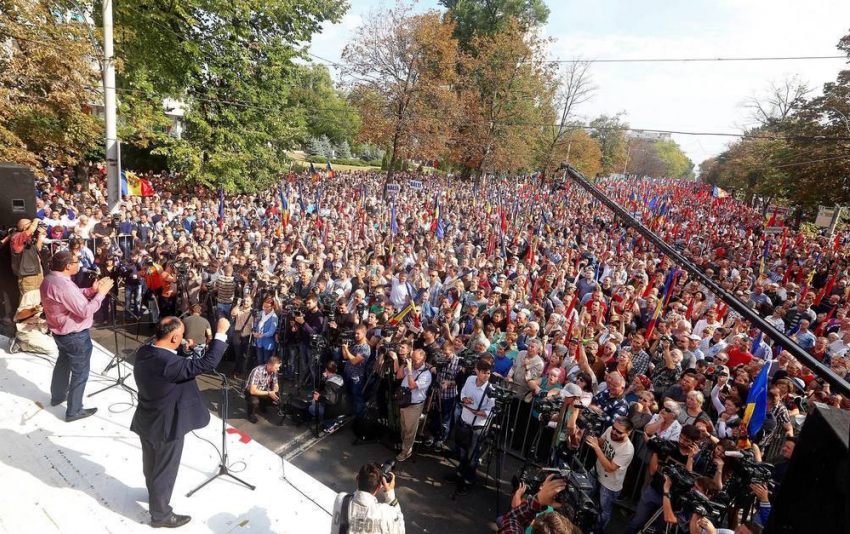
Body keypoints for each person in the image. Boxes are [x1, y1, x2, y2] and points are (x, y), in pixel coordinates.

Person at [130, 316, 230, 528]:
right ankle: (161, 515)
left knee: (150, 463)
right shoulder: (170, 365)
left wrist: (183, 350)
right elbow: (207, 363)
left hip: (146, 419)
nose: (184, 338)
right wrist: (220, 333)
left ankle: (154, 496)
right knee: (165, 470)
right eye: (182, 335)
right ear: (174, 337)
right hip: (167, 425)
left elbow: (167, 360)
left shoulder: (145, 352)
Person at [41, 250, 113, 421]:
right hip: (75, 337)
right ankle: (74, 411)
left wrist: (91, 290)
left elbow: (70, 298)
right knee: (80, 373)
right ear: (67, 266)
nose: (79, 264)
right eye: (76, 261)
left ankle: (58, 397)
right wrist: (101, 293)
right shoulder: (64, 284)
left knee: (63, 365)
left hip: (61, 334)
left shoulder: (50, 279)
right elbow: (85, 311)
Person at [446, 359, 496, 495]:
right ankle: (459, 473)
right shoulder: (470, 379)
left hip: (477, 428)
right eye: (484, 373)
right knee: (462, 452)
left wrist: (478, 413)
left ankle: (469, 480)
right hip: (464, 422)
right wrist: (464, 399)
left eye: (489, 373)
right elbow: (462, 392)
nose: (486, 376)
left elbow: (490, 411)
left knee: (472, 456)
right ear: (477, 371)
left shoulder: (490, 390)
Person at [586, 416, 635, 531]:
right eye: (614, 428)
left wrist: (597, 448)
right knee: (584, 496)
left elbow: (610, 468)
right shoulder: (609, 430)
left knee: (604, 511)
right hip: (596, 471)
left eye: (619, 432)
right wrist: (591, 438)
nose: (614, 432)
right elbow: (601, 443)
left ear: (628, 433)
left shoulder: (627, 450)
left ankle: (598, 530)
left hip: (609, 484)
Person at [330, 463, 404, 534]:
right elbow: (400, 531)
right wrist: (390, 496)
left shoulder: (341, 499)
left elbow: (355, 497)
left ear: (357, 479)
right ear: (379, 487)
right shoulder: (386, 513)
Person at [499, 474, 575, 534]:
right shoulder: (553, 512)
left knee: (499, 519)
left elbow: (514, 513)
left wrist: (517, 494)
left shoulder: (547, 514)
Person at [395, 348, 433, 462]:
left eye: (416, 361)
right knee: (404, 428)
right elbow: (399, 375)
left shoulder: (426, 374)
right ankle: (404, 446)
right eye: (412, 360)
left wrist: (411, 371)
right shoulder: (410, 366)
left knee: (410, 432)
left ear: (424, 359)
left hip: (414, 406)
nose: (414, 363)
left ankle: (406, 452)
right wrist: (404, 363)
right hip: (404, 403)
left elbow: (412, 386)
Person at [10, 218, 44, 296]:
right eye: (30, 223)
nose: (33, 225)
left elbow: (38, 249)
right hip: (28, 274)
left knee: (38, 296)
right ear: (24, 227)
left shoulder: (29, 238)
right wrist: (35, 220)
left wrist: (39, 235)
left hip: (37, 270)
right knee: (28, 298)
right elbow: (31, 229)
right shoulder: (16, 237)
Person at [311, 360, 348, 430]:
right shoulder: (340, 377)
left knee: (312, 406)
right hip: (343, 409)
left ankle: (330, 424)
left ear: (326, 370)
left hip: (334, 413)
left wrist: (318, 398)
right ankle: (338, 419)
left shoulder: (330, 383)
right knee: (318, 399)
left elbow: (332, 401)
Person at [244, 356, 281, 423]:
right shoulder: (257, 371)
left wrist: (274, 391)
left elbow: (276, 384)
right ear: (269, 365)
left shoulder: (274, 371)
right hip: (252, 392)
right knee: (254, 402)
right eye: (276, 367)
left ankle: (262, 405)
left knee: (277, 399)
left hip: (264, 390)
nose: (278, 369)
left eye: (278, 367)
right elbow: (253, 391)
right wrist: (269, 393)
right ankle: (250, 414)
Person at [253, 296, 278, 365]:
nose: (265, 309)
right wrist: (255, 323)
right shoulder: (261, 313)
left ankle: (266, 375)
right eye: (264, 306)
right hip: (259, 341)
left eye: (267, 307)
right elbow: (256, 325)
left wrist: (262, 335)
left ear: (272, 307)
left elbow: (271, 332)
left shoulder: (274, 317)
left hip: (268, 342)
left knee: (266, 360)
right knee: (260, 359)